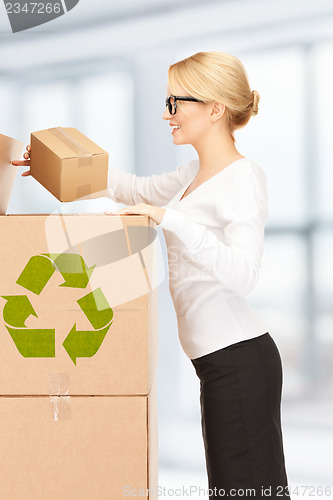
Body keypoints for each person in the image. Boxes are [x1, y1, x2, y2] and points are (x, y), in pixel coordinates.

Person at [13, 51, 291, 499]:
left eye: (176, 103)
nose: (166, 115)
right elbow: (130, 188)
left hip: (240, 360)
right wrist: (49, 164)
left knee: (246, 491)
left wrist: (170, 219)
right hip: (218, 363)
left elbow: (245, 275)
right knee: (233, 489)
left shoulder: (243, 178)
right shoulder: (191, 176)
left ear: (215, 108)